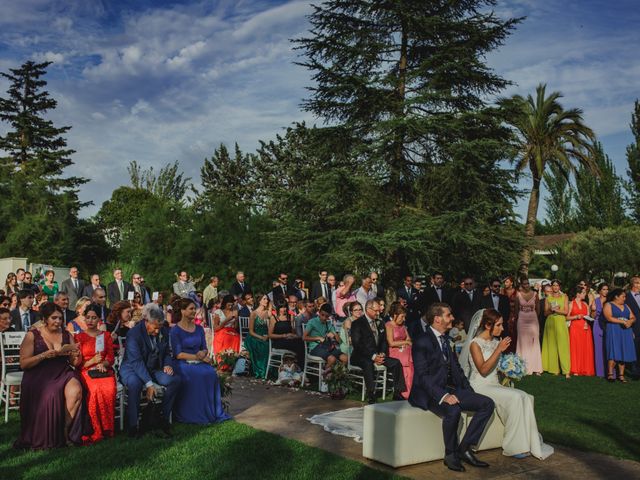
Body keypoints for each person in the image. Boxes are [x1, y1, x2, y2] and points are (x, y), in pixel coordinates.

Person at [408, 303, 494, 472]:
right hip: (428, 393)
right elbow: (422, 376)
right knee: (453, 411)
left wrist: (469, 393)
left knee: (487, 404)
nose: (453, 318)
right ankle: (450, 454)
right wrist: (444, 396)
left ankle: (465, 449)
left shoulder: (446, 339)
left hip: (449, 389)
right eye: (449, 315)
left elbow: (457, 370)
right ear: (437, 319)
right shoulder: (421, 341)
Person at [459, 309, 554, 460]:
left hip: (495, 384)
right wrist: (498, 350)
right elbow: (483, 370)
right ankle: (513, 447)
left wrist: (509, 369)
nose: (502, 328)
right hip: (479, 386)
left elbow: (495, 368)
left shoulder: (496, 342)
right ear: (488, 325)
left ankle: (529, 442)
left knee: (524, 396)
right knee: (515, 398)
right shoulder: (475, 344)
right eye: (499, 325)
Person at [15, 302, 92, 449]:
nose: (58, 321)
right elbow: (24, 364)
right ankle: (50, 434)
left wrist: (76, 355)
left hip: (63, 371)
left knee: (76, 390)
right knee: (50, 392)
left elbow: (74, 363)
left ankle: (65, 429)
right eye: (54, 318)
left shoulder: (66, 334)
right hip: (39, 373)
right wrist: (43, 355)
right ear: (44, 319)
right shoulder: (32, 335)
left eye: (60, 318)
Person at [119, 303, 180, 437]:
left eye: (159, 327)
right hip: (132, 368)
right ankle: (133, 427)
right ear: (146, 321)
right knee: (135, 384)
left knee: (175, 381)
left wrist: (167, 364)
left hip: (154, 367)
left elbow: (167, 353)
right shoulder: (133, 334)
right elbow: (136, 361)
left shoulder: (163, 330)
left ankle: (161, 418)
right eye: (155, 327)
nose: (157, 331)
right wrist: (149, 383)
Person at [170, 298, 231, 424]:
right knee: (197, 374)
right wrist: (198, 357)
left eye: (194, 309)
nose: (194, 311)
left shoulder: (198, 329)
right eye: (191, 309)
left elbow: (204, 348)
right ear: (182, 311)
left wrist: (203, 353)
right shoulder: (175, 330)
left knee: (210, 373)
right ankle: (193, 413)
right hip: (183, 363)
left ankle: (211, 412)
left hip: (198, 360)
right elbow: (178, 354)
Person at [75, 304, 117, 444]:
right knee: (95, 390)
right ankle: (95, 428)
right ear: (84, 319)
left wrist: (103, 364)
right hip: (86, 370)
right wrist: (92, 361)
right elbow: (77, 364)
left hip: (103, 371)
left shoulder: (105, 336)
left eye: (94, 318)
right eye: (88, 318)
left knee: (109, 388)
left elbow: (110, 358)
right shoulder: (79, 337)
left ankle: (108, 428)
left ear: (99, 319)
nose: (90, 321)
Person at [351, 299, 406, 403]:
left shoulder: (380, 323)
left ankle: (398, 393)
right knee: (368, 363)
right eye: (376, 310)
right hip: (360, 356)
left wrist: (382, 353)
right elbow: (357, 345)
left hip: (378, 355)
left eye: (378, 311)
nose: (378, 312)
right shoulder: (357, 323)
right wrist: (373, 357)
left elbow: (384, 342)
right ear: (368, 309)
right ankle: (371, 394)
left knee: (396, 363)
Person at [602, 288, 637, 383]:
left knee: (623, 351)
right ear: (616, 296)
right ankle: (610, 374)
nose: (625, 298)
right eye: (623, 296)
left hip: (626, 331)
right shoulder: (608, 305)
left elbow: (633, 317)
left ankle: (621, 375)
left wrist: (630, 321)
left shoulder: (626, 306)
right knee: (613, 350)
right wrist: (622, 321)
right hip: (613, 330)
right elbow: (608, 317)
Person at [304, 304, 347, 369]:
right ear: (319, 312)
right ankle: (324, 374)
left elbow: (340, 341)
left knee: (345, 358)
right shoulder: (312, 322)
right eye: (322, 315)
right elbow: (304, 337)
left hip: (327, 347)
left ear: (329, 316)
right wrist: (318, 338)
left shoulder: (329, 324)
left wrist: (335, 335)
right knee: (332, 359)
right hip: (315, 347)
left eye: (326, 316)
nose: (324, 318)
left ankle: (336, 374)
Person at [541, 280, 571, 378]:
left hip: (561, 322)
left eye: (557, 285)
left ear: (560, 287)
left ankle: (566, 371)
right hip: (550, 322)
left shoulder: (565, 297)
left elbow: (566, 311)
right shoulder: (548, 298)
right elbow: (545, 313)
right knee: (552, 346)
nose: (555, 287)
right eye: (553, 285)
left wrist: (557, 310)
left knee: (563, 346)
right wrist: (551, 309)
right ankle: (554, 369)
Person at [385, 303, 413, 400]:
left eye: (404, 317)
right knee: (407, 359)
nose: (404, 319)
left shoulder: (403, 326)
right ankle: (405, 392)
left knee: (412, 356)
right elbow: (391, 343)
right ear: (395, 315)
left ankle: (412, 389)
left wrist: (406, 343)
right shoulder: (389, 325)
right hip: (394, 351)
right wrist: (405, 342)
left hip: (404, 350)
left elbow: (409, 340)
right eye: (402, 317)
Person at [514, 278, 542, 375]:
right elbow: (516, 309)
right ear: (521, 284)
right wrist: (516, 319)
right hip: (521, 319)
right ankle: (522, 367)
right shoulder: (518, 294)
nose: (526, 285)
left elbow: (538, 309)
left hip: (533, 319)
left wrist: (532, 316)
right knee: (522, 342)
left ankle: (536, 367)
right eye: (524, 284)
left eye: (527, 283)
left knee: (534, 342)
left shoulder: (535, 294)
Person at [568, 287, 595, 376]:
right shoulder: (571, 304)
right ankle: (575, 369)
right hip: (575, 328)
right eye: (583, 293)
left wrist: (587, 322)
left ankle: (585, 368)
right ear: (578, 294)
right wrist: (576, 317)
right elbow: (566, 317)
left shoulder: (585, 304)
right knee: (575, 348)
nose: (585, 294)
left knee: (585, 348)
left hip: (585, 328)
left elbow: (589, 315)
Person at [270, 303, 305, 367]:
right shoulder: (274, 318)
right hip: (278, 341)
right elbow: (270, 335)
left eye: (285, 307)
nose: (284, 309)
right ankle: (300, 367)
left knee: (301, 342)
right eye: (281, 307)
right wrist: (283, 335)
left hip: (289, 340)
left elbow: (293, 331)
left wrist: (292, 335)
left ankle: (299, 366)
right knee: (299, 346)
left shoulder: (290, 316)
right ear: (278, 308)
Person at [244, 295, 271, 378]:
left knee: (268, 344)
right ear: (259, 301)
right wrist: (260, 337)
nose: (266, 301)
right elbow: (251, 331)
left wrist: (270, 308)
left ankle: (268, 370)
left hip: (266, 335)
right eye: (264, 299)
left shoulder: (268, 313)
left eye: (267, 299)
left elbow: (271, 325)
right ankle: (260, 370)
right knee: (263, 346)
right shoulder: (254, 313)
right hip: (254, 336)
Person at [590, 283, 609, 378]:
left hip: (608, 325)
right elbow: (592, 316)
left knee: (608, 347)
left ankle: (610, 371)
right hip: (597, 325)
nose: (606, 291)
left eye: (607, 289)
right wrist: (593, 311)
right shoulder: (595, 301)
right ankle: (600, 372)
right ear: (600, 291)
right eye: (604, 289)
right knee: (598, 348)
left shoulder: (610, 301)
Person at [624, 276, 640, 379]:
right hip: (633, 327)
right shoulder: (626, 297)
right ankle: (634, 371)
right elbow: (625, 313)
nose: (639, 285)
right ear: (633, 284)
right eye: (638, 283)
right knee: (634, 349)